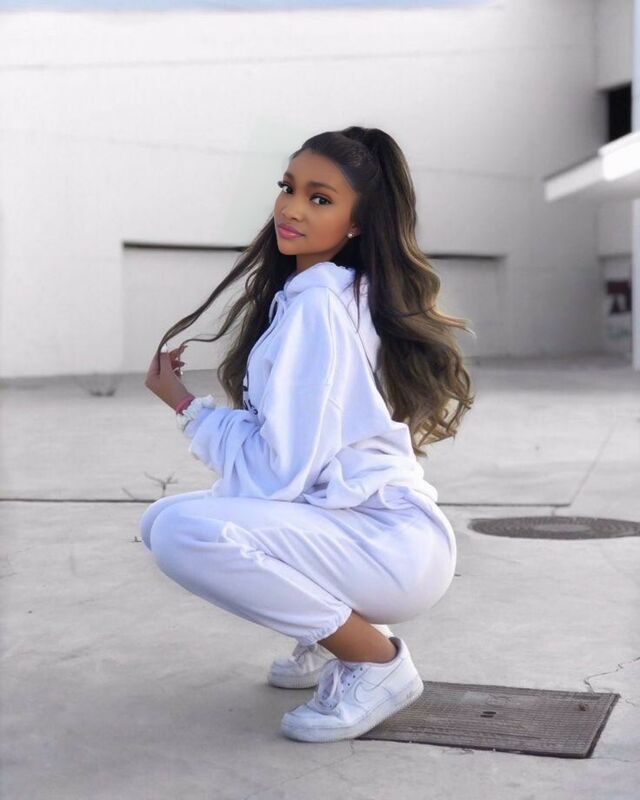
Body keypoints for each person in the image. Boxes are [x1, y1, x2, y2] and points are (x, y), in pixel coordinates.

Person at [140, 126, 475, 743]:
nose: (292, 208)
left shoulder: (318, 306)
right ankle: (327, 641)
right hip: (377, 535)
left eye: (320, 198)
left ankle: (375, 662)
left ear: (357, 222)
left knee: (182, 532)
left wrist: (186, 407)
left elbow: (278, 473)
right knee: (163, 518)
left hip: (388, 546)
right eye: (288, 187)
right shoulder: (336, 294)